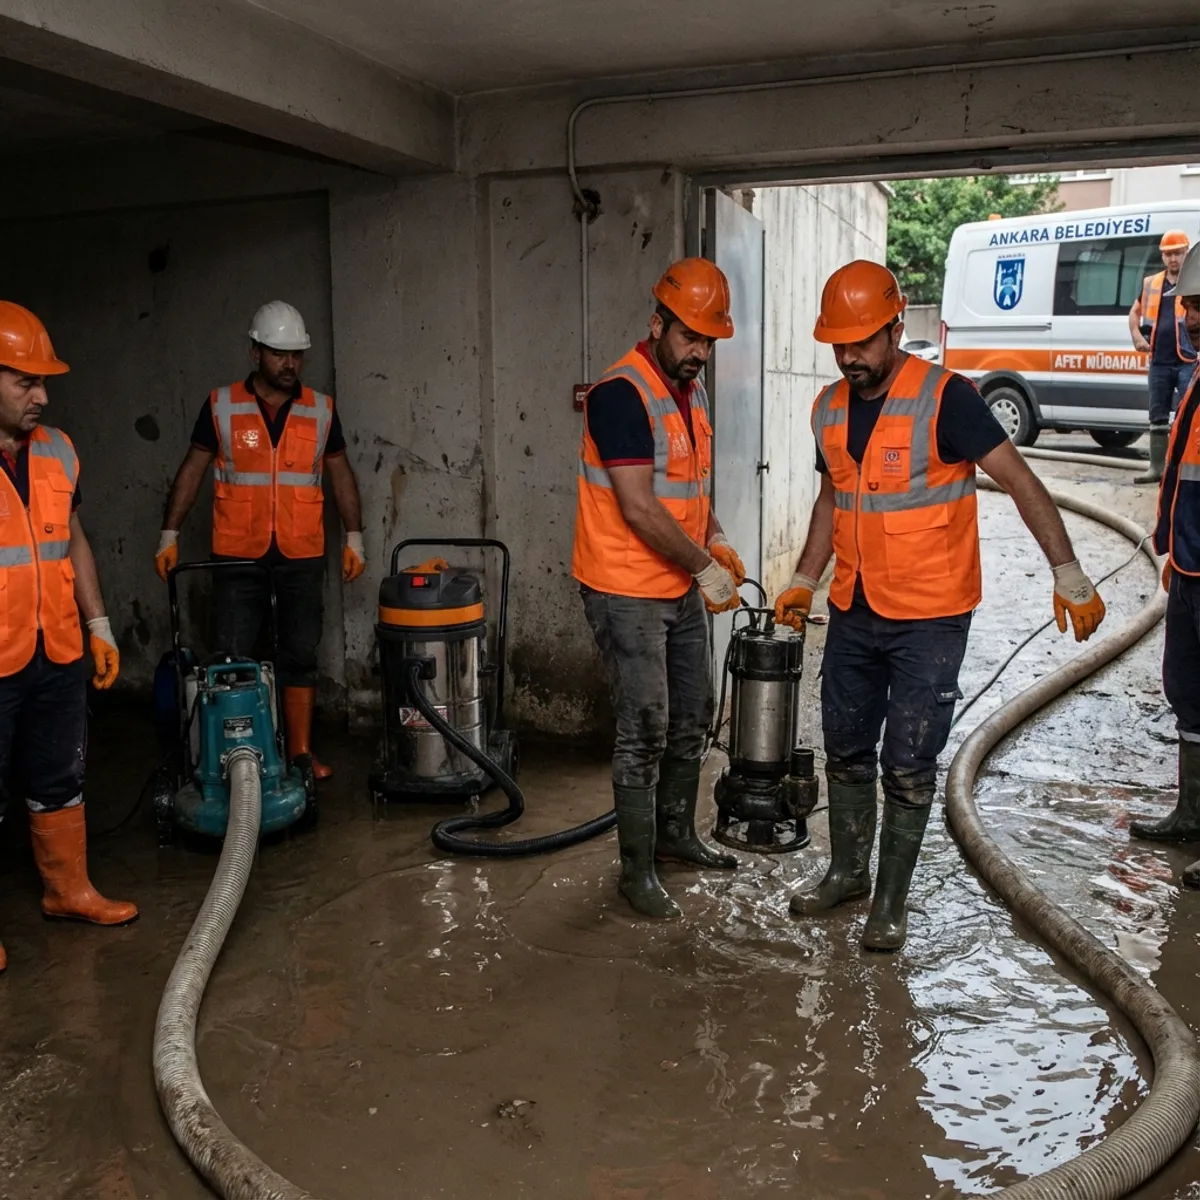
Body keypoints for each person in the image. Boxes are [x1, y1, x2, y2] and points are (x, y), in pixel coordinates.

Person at [773, 261, 1108, 952]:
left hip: (930, 614)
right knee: (846, 746)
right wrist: (806, 577)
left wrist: (1067, 570)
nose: (849, 357)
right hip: (855, 607)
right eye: (839, 344)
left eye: (862, 342)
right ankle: (846, 872)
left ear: (896, 327)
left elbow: (1017, 479)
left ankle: (889, 902)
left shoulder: (946, 398)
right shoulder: (828, 409)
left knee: (910, 757)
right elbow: (834, 498)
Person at [573, 258, 746, 918]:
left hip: (676, 582)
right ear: (658, 324)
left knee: (693, 717)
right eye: (689, 336)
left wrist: (717, 539)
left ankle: (675, 837)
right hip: (624, 588)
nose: (698, 351)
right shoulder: (620, 393)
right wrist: (706, 565)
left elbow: (691, 493)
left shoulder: (690, 393)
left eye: (708, 340)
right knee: (643, 726)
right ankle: (635, 871)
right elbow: (641, 507)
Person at [155, 302, 365, 778]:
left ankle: (300, 755)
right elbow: (192, 470)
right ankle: (235, 758)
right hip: (237, 551)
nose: (289, 364)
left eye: (296, 354)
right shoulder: (221, 405)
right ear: (255, 353)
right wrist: (169, 534)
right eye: (278, 353)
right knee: (233, 651)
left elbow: (341, 475)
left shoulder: (321, 409)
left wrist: (355, 536)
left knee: (299, 652)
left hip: (301, 549)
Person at [0, 302, 137, 973]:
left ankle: (67, 890)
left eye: (44, 381)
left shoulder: (57, 448)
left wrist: (99, 626)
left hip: (55, 648)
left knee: (60, 777)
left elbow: (73, 541)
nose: (42, 395)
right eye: (26, 381)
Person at [1131, 241, 1200, 884]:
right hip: (1189, 565)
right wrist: (1167, 547)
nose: (1190, 317)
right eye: (1190, 306)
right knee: (1188, 692)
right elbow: (1180, 473)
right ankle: (1192, 814)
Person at [1128, 230, 1196, 485]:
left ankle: (1183, 472)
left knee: (1187, 415)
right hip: (1159, 360)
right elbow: (1134, 313)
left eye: (1178, 253)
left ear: (1186, 253)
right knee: (1157, 415)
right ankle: (1157, 469)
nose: (1173, 259)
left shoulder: (1195, 282)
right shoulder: (1152, 284)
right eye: (1168, 254)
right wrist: (1136, 336)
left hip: (1188, 359)